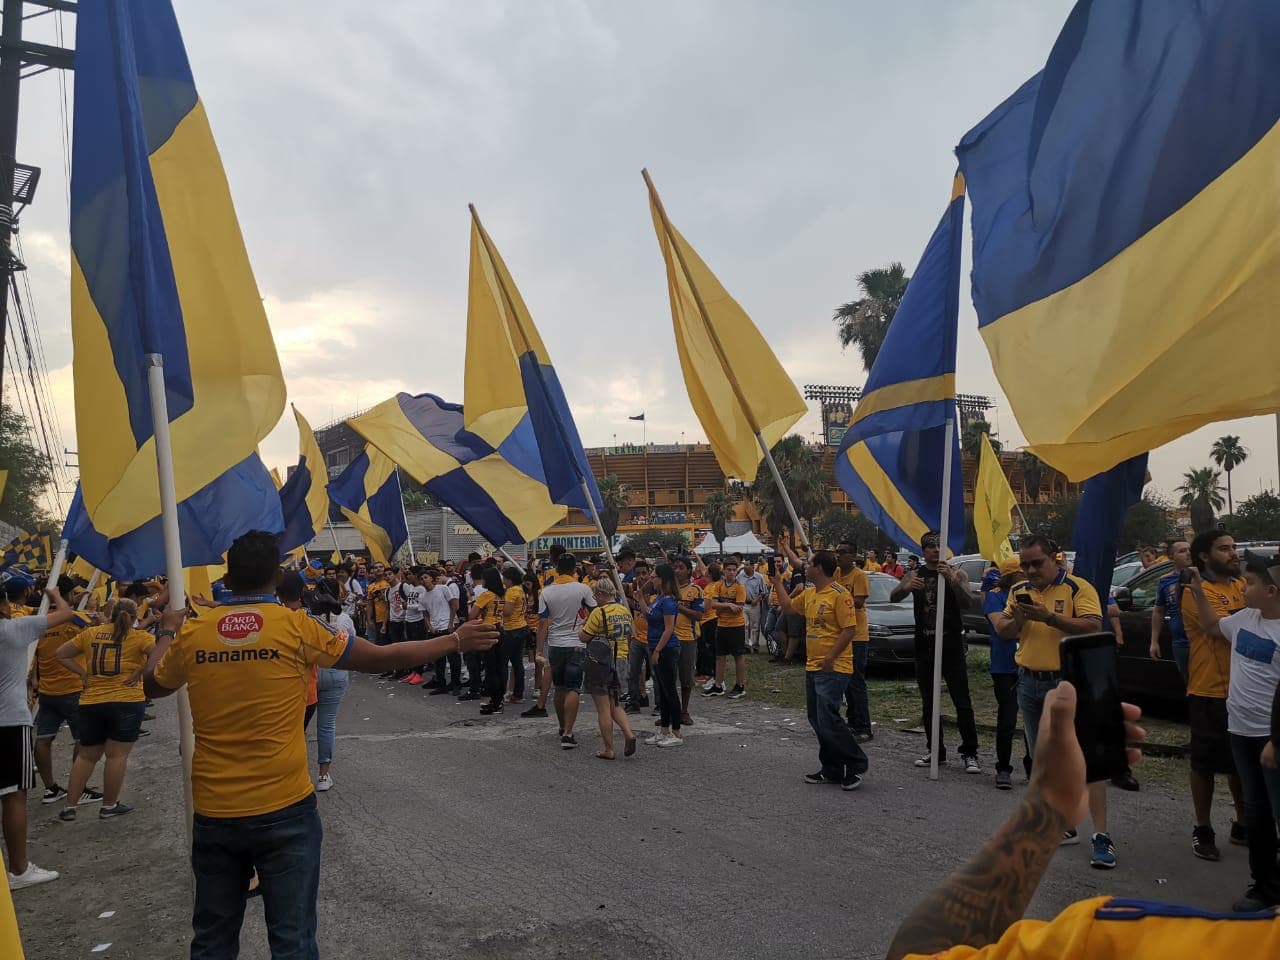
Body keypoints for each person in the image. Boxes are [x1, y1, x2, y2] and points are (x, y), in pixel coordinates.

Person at [143, 530, 498, 958]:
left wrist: (166, 629)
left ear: (227, 579)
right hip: (284, 807)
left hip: (216, 808)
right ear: (277, 578)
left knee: (213, 939)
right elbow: (382, 658)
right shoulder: (297, 627)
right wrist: (454, 640)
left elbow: (152, 684)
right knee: (292, 940)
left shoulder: (195, 634)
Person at [885, 684, 1181, 960]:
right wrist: (1052, 805)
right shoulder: (1203, 938)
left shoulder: (1096, 936)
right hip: (1030, 677)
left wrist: (1046, 809)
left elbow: (919, 949)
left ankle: (1097, 834)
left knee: (1089, 758)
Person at [992, 536, 1117, 868]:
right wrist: (1020, 618)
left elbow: (1092, 626)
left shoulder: (1077, 588)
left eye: (1037, 563)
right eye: (1025, 565)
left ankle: (1101, 836)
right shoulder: (1019, 591)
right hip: (1029, 683)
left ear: (1055, 559)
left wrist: (1049, 618)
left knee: (1088, 760)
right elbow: (1005, 631)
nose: (1031, 570)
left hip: (1069, 684)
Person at [1185, 548, 1280, 909]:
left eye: (1250, 582)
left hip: (1273, 737)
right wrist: (1196, 586)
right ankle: (1265, 886)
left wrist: (1276, 738)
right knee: (1255, 811)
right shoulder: (1244, 619)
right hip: (1240, 731)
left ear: (1271, 591)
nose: (1242, 586)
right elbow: (1212, 625)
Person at [1179, 530, 1248, 862]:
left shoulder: (1238, 586)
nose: (1233, 553)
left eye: (1234, 547)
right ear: (1205, 556)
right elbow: (1217, 628)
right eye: (1224, 549)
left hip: (1241, 690)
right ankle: (1203, 828)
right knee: (1204, 764)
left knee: (1240, 763)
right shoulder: (1196, 592)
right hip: (1209, 690)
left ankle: (1243, 823)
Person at [2, 575, 74, 890]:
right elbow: (66, 614)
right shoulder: (15, 630)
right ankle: (18, 870)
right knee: (13, 796)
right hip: (8, 721)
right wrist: (55, 594)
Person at [774, 549, 867, 791]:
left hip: (834, 666)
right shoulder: (810, 593)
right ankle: (832, 768)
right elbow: (787, 607)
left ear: (819, 568)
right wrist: (777, 584)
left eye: (809, 564)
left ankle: (856, 764)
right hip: (813, 665)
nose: (805, 567)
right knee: (816, 719)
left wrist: (831, 656)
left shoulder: (840, 595)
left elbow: (849, 629)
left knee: (828, 718)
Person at [54, 598, 154, 821]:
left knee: (87, 755)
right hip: (127, 700)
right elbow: (159, 656)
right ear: (135, 617)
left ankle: (70, 806)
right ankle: (109, 805)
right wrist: (139, 673)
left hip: (91, 701)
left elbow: (61, 653)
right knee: (116, 756)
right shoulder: (140, 637)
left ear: (111, 614)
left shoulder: (91, 634)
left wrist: (82, 673)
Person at [890, 531, 980, 772]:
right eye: (929, 546)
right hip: (925, 644)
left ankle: (970, 752)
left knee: (962, 700)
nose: (934, 550)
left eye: (938, 546)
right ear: (923, 550)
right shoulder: (915, 574)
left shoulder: (956, 572)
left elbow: (969, 602)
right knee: (929, 701)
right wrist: (905, 587)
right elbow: (894, 596)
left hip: (951, 643)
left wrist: (952, 579)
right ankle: (935, 750)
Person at [30, 599, 104, 807]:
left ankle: (50, 788)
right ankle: (78, 789)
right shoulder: (74, 619)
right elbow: (95, 629)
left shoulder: (38, 622)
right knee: (83, 739)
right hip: (72, 689)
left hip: (47, 691)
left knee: (43, 738)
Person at [533, 552, 596, 749]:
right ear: (574, 569)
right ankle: (568, 733)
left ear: (557, 569)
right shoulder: (583, 589)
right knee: (574, 687)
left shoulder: (546, 592)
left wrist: (538, 649)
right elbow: (595, 611)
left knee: (559, 688)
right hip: (577, 643)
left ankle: (562, 726)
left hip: (556, 645)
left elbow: (542, 623)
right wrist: (587, 629)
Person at [983, 558, 1031, 789]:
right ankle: (1003, 769)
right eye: (1023, 573)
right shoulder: (996, 596)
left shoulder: (1035, 593)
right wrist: (1019, 620)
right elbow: (1001, 629)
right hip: (1004, 666)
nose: (1028, 576)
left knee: (1034, 723)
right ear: (1012, 576)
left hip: (1031, 664)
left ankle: (1033, 768)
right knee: (1007, 720)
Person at [579, 579, 638, 760]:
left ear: (603, 594)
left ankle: (609, 748)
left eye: (596, 595)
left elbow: (584, 637)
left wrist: (581, 627)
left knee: (603, 708)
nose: (595, 598)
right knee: (615, 703)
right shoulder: (624, 610)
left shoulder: (599, 612)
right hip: (620, 658)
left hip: (601, 661)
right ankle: (629, 733)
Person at [639, 564, 683, 747]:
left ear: (663, 579)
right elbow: (647, 614)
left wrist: (657, 650)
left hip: (666, 648)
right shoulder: (658, 599)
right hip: (654, 645)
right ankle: (664, 729)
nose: (652, 579)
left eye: (654, 576)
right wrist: (640, 596)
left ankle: (677, 732)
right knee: (663, 691)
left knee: (670, 691)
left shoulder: (669, 602)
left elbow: (669, 629)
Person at [832, 542, 872, 742]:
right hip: (842, 634)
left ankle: (864, 726)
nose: (839, 556)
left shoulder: (859, 576)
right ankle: (852, 720)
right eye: (837, 552)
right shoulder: (837, 573)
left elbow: (858, 601)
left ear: (853, 556)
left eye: (843, 553)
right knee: (846, 680)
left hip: (857, 635)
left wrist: (837, 598)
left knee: (856, 681)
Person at [704, 560, 748, 699]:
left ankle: (740, 685)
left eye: (734, 570)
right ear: (724, 571)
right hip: (722, 624)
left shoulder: (740, 587)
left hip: (736, 626)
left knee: (738, 656)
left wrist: (723, 606)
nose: (731, 572)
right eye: (728, 569)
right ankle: (718, 685)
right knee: (719, 656)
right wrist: (729, 604)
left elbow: (738, 608)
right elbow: (713, 604)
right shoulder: (719, 586)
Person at [1151, 538, 1193, 679]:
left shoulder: (1202, 577)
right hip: (1181, 643)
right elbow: (1158, 611)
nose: (1188, 553)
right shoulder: (1165, 580)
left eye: (1190, 550)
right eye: (1182, 551)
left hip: (1201, 640)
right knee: (1188, 682)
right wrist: (1154, 642)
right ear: (1171, 557)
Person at [487, 566, 527, 712]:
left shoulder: (511, 591)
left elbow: (508, 611)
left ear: (509, 579)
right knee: (517, 663)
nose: (503, 582)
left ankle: (501, 692)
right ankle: (518, 693)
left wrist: (495, 608)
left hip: (511, 629)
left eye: (504, 579)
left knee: (502, 663)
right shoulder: (520, 589)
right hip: (522, 627)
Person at [672, 556, 704, 725]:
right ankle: (670, 710)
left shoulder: (695, 590)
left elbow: (699, 615)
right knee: (668, 678)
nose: (677, 570)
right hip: (669, 638)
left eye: (681, 567)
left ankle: (684, 711)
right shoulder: (667, 590)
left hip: (687, 638)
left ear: (689, 571)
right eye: (675, 567)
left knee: (686, 677)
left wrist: (680, 607)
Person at [470, 567, 505, 713]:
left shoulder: (486, 595)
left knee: (491, 668)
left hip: (488, 630)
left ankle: (495, 703)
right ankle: (497, 699)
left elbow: (472, 615)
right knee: (498, 667)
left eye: (484, 578)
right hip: (501, 629)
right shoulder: (503, 594)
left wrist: (481, 615)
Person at [624, 559, 653, 714]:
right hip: (637, 637)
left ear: (650, 573)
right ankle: (634, 701)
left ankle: (660, 704)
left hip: (653, 638)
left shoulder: (656, 589)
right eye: (638, 574)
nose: (641, 577)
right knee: (632, 672)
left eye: (644, 573)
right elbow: (617, 586)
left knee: (656, 673)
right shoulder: (632, 588)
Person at [737, 557, 767, 652]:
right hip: (744, 604)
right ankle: (745, 645)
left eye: (747, 565)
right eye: (744, 564)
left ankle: (755, 646)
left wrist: (757, 599)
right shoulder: (740, 577)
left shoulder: (759, 577)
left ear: (752, 566)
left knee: (755, 626)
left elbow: (763, 591)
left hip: (755, 605)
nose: (745, 566)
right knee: (744, 625)